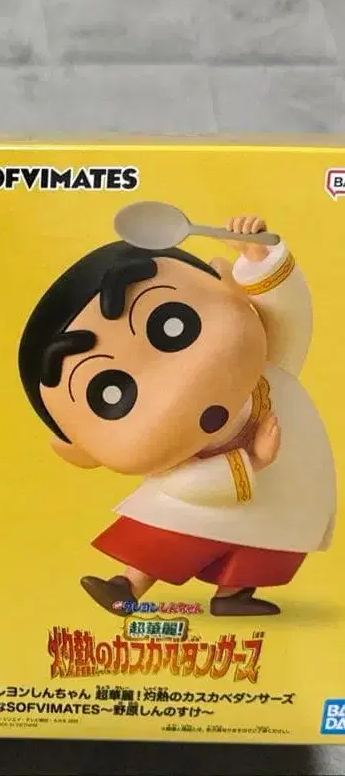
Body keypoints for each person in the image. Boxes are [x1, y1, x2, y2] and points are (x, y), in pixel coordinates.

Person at [18, 216, 335, 616]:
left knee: (266, 543)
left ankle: (234, 594)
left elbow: (289, 318)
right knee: (169, 536)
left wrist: (259, 260)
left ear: (226, 285)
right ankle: (126, 586)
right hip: (211, 497)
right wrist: (253, 460)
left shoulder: (270, 372)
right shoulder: (176, 465)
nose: (175, 387)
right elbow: (187, 485)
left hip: (285, 495)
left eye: (173, 325)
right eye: (110, 392)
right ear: (80, 450)